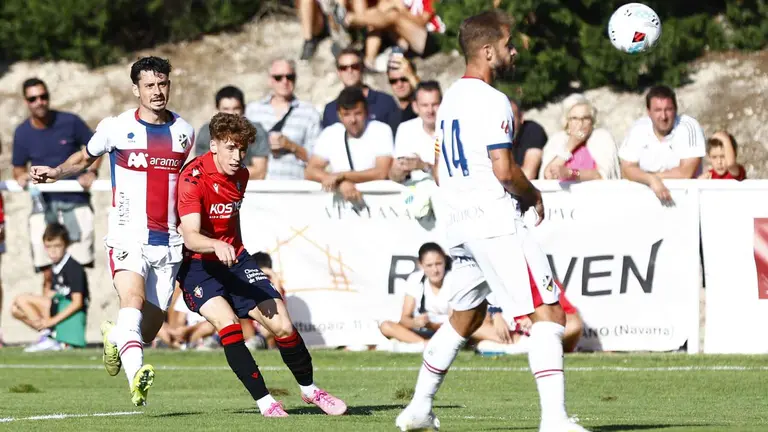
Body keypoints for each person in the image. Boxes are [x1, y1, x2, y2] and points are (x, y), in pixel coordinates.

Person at [395, 10, 588, 432]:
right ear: (487, 51)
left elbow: (439, 170)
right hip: (496, 222)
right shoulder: (494, 100)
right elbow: (503, 169)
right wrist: (533, 193)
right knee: (549, 315)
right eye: (507, 43)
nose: (513, 50)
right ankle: (554, 421)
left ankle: (418, 408)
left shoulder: (448, 102)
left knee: (465, 315)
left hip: (461, 226)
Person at [29, 56, 195, 407]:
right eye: (149, 85)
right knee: (131, 299)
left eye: (162, 84)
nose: (157, 91)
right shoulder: (117, 127)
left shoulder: (184, 132)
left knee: (148, 327)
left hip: (167, 242)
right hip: (127, 233)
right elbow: (84, 158)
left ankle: (115, 336)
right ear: (136, 89)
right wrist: (56, 172)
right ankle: (137, 379)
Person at [176, 112, 347, 417]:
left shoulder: (241, 175)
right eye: (230, 148)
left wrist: (239, 255)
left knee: (282, 324)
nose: (237, 156)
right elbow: (189, 236)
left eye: (242, 150)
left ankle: (310, 390)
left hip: (235, 258)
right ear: (213, 145)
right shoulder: (193, 178)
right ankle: (266, 402)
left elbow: (231, 219)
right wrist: (215, 244)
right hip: (200, 266)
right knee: (229, 325)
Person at [12, 77, 100, 292]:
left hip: (76, 202)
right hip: (44, 207)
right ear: (26, 102)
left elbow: (97, 147)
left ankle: (76, 324)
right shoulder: (22, 132)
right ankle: (49, 323)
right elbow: (18, 167)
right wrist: (22, 176)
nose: (39, 102)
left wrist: (92, 171)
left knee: (77, 271)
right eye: (33, 98)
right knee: (48, 273)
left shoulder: (70, 122)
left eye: (43, 96)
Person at [379, 242, 513, 351]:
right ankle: (425, 345)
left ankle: (515, 342)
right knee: (386, 326)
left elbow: (457, 318)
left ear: (444, 261)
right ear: (420, 265)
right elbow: (404, 319)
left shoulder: (454, 279)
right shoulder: (415, 280)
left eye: (438, 264)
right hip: (427, 331)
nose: (435, 270)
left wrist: (434, 324)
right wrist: (416, 322)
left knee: (476, 327)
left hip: (454, 329)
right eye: (429, 265)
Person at [619, 85, 706, 203]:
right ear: (648, 112)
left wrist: (651, 178)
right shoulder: (638, 128)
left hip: (685, 201)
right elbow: (626, 169)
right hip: (644, 201)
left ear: (676, 109)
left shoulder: (688, 127)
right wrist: (650, 179)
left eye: (668, 109)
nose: (663, 116)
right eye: (658, 110)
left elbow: (685, 172)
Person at [11, 223, 89, 352]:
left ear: (66, 244)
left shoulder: (74, 268)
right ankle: (48, 336)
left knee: (21, 299)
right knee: (16, 309)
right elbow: (50, 295)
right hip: (56, 307)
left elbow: (77, 302)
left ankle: (48, 335)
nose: (53, 250)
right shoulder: (55, 267)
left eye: (57, 246)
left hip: (69, 311)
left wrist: (51, 322)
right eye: (48, 246)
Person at [195, 85, 269, 179]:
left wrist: (224, 169)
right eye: (226, 109)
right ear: (217, 110)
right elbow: (203, 169)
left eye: (236, 108)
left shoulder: (256, 132)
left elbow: (259, 172)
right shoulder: (206, 132)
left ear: (244, 109)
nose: (231, 114)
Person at [539, 94, 620, 181]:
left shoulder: (601, 138)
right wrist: (570, 146)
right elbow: (548, 176)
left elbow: (602, 175)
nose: (580, 123)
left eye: (585, 118)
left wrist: (571, 173)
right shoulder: (558, 140)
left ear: (592, 121)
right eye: (574, 118)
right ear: (567, 121)